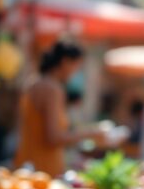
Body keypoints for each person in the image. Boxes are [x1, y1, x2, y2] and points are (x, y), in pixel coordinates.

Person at [14, 41, 104, 176]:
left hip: (25, 164)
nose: (75, 72)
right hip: (43, 170)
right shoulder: (52, 89)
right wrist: (92, 133)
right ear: (65, 62)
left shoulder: (33, 82)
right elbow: (53, 138)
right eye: (76, 66)